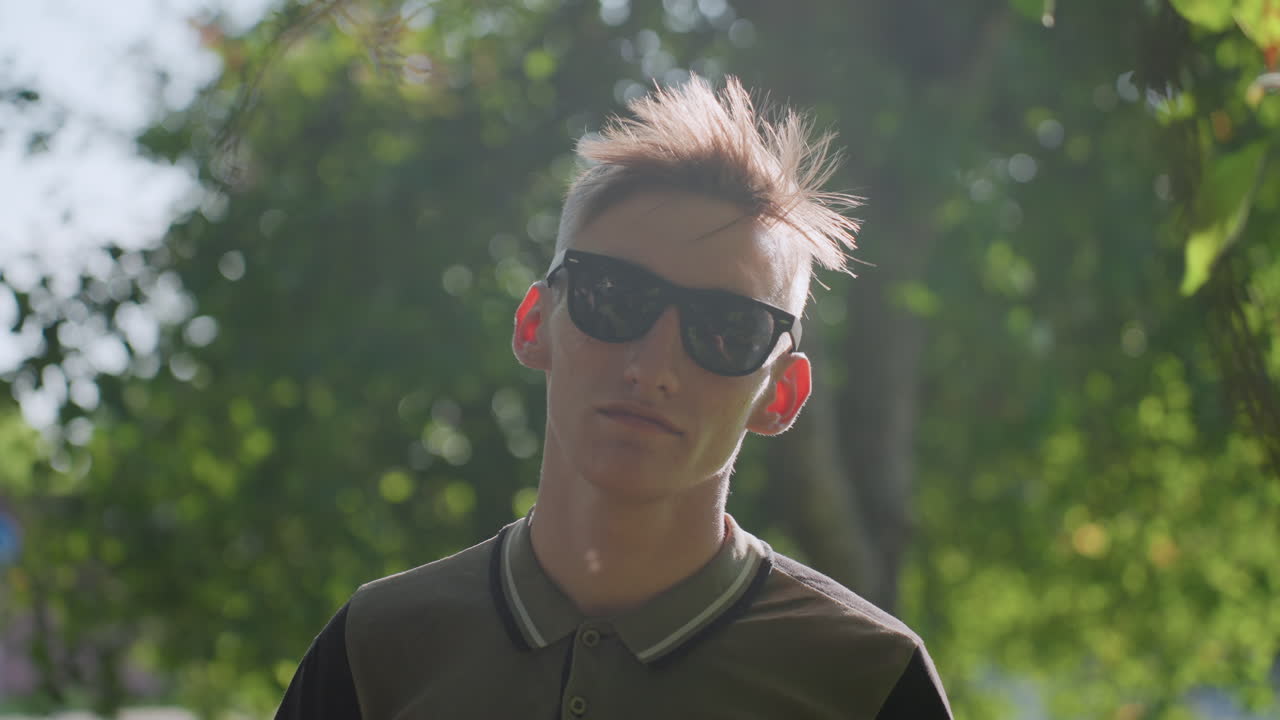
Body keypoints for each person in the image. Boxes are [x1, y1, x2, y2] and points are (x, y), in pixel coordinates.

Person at [276, 76, 951, 719]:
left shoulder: (869, 685)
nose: (652, 367)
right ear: (535, 322)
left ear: (782, 393)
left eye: (727, 329)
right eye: (614, 297)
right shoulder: (373, 651)